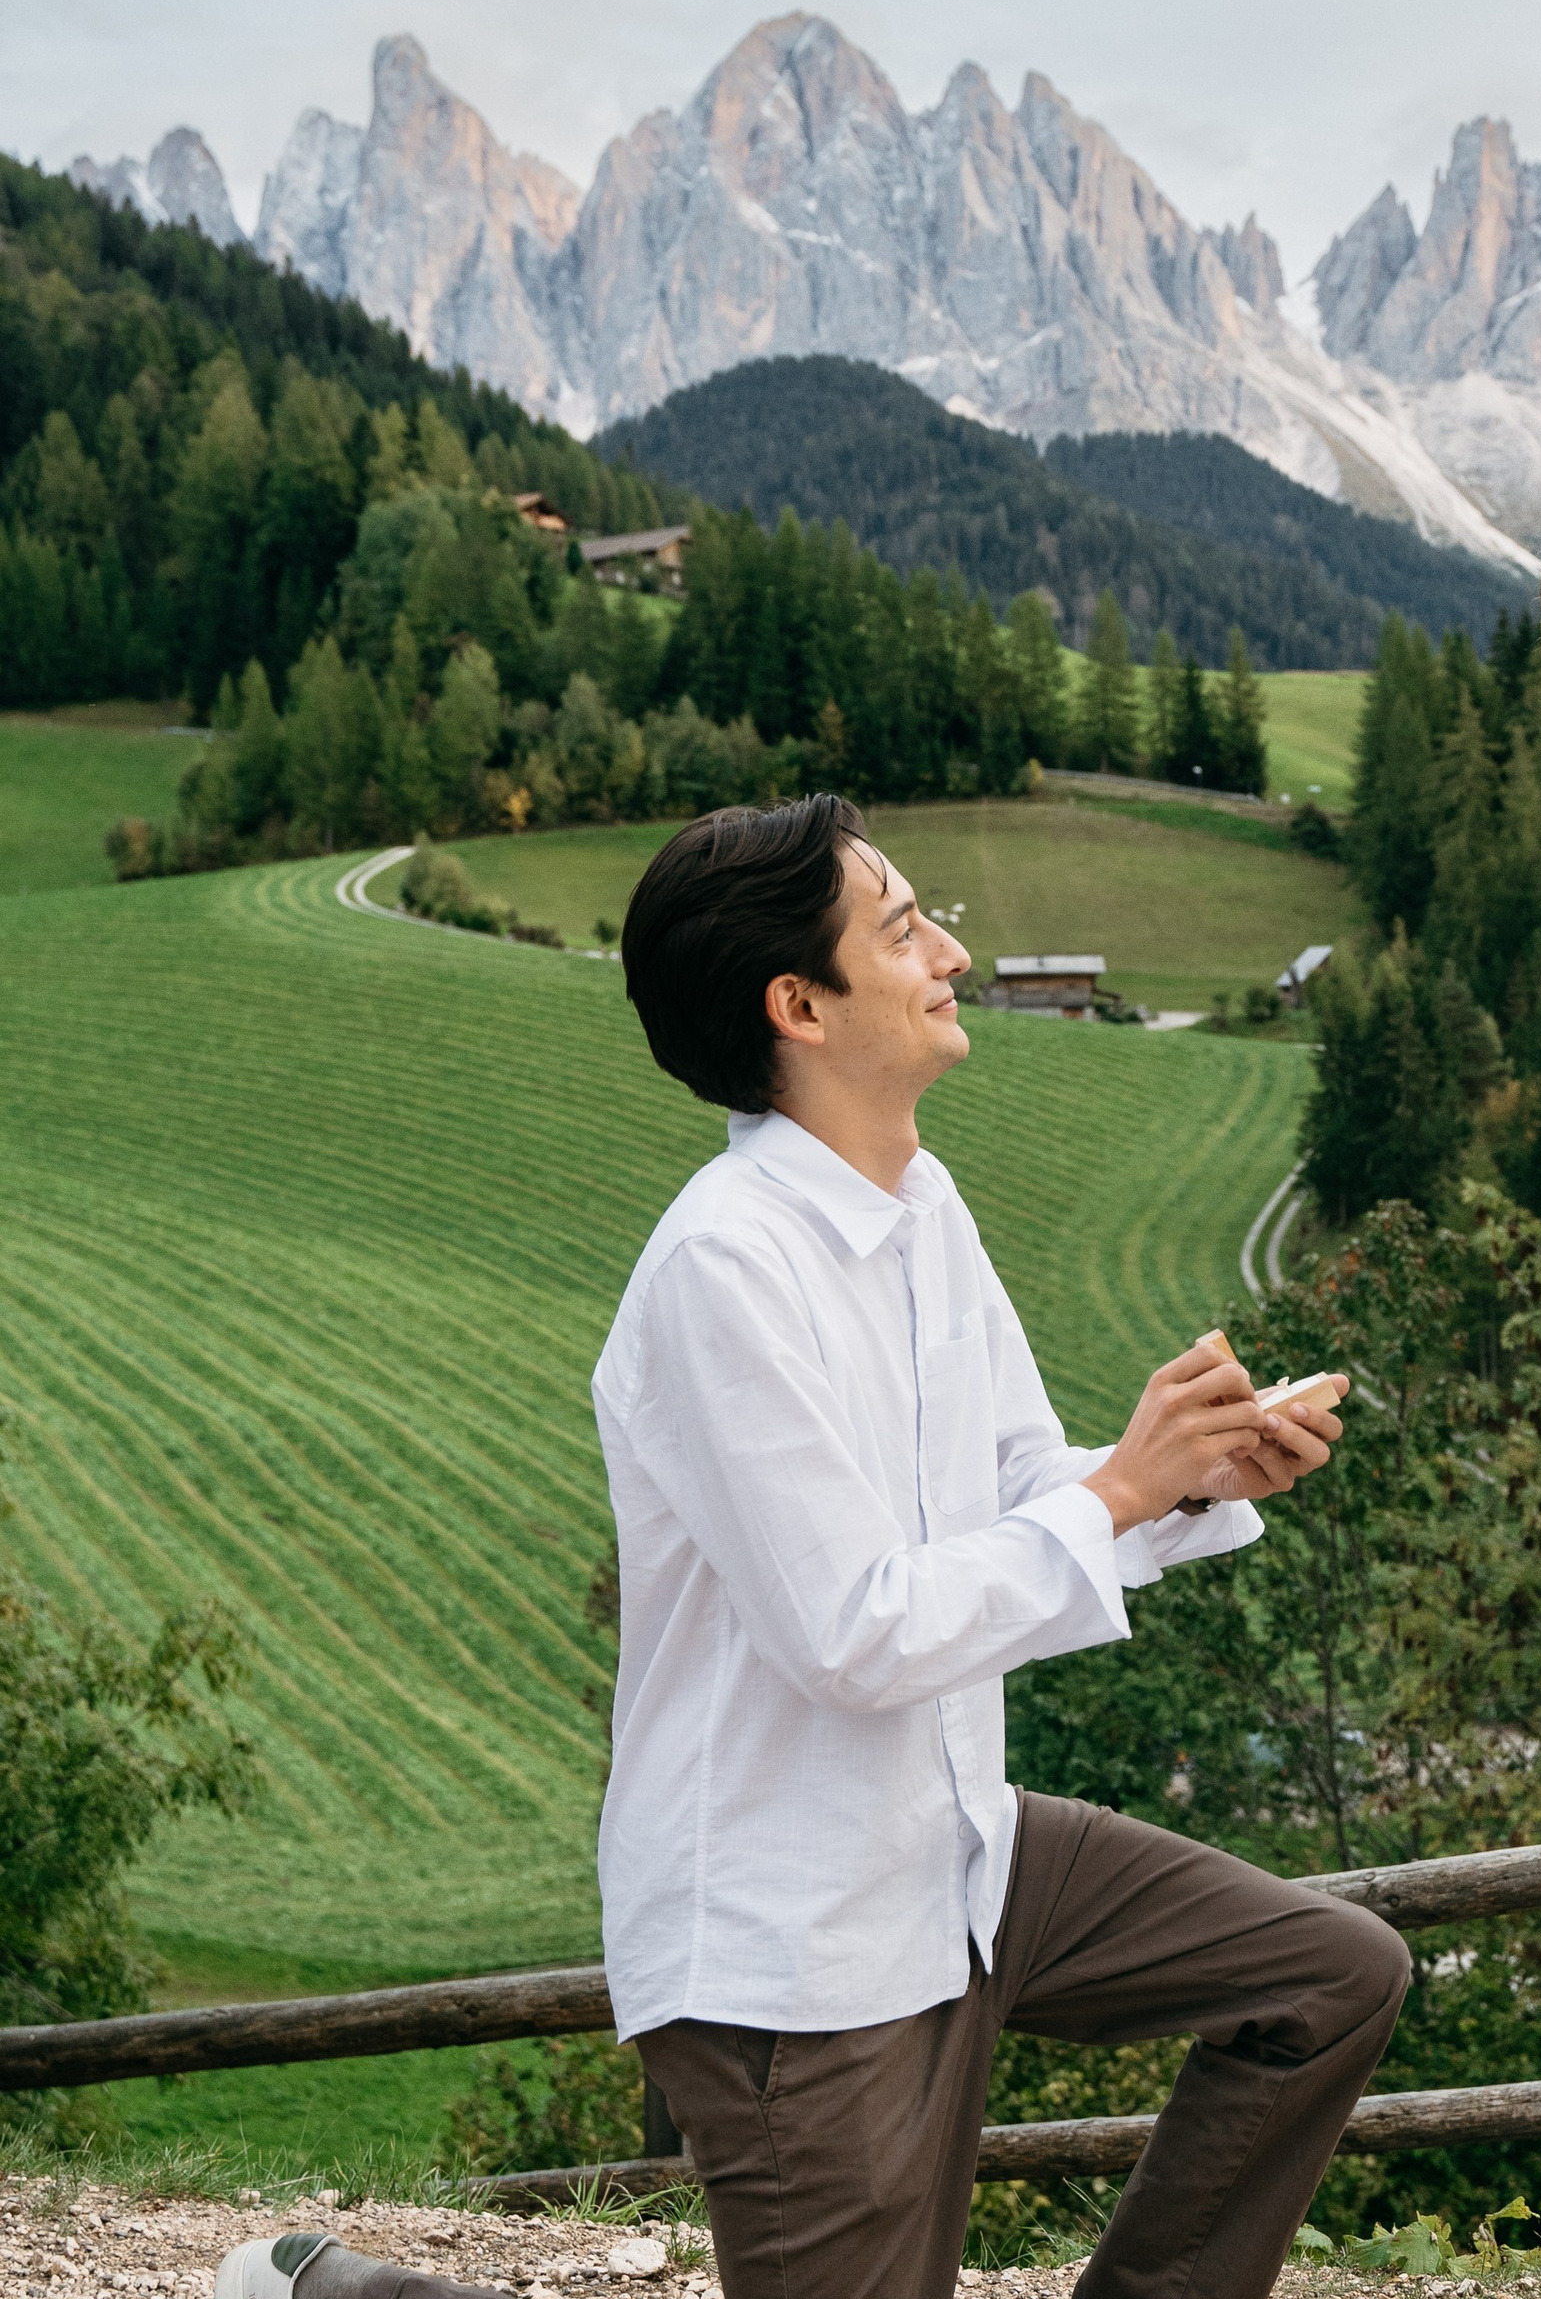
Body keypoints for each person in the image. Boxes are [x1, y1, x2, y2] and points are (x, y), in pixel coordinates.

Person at [220, 792, 1407, 2299]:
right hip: (794, 1944)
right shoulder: (724, 1268)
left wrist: (1182, 1481)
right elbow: (857, 1632)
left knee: (1328, 1978)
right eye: (904, 931)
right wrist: (1115, 1495)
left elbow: (1013, 1483)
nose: (953, 953)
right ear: (800, 1006)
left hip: (960, 1855)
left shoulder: (923, 1205)